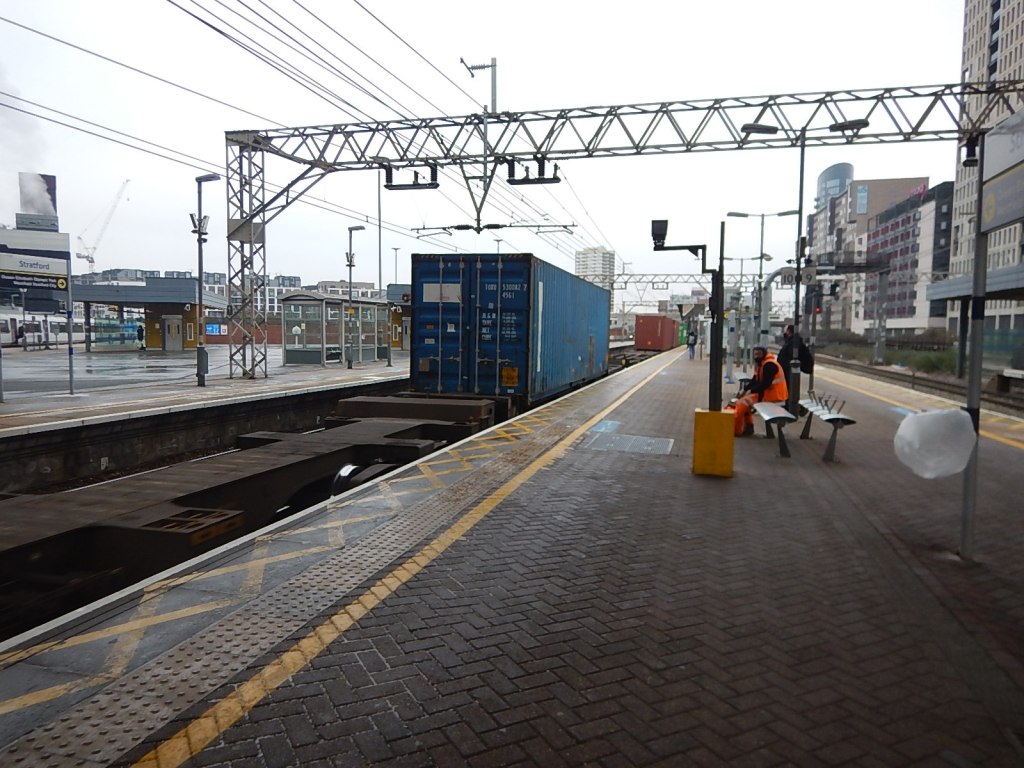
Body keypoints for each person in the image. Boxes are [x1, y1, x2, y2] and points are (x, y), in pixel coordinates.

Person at [733, 345, 789, 437]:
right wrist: (744, 390)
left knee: (742, 404)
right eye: (755, 354)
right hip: (768, 394)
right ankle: (748, 427)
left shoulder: (769, 365)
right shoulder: (762, 364)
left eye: (759, 354)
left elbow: (765, 384)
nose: (757, 356)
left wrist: (751, 391)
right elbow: (755, 380)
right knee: (744, 401)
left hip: (774, 396)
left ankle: (737, 430)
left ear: (764, 354)